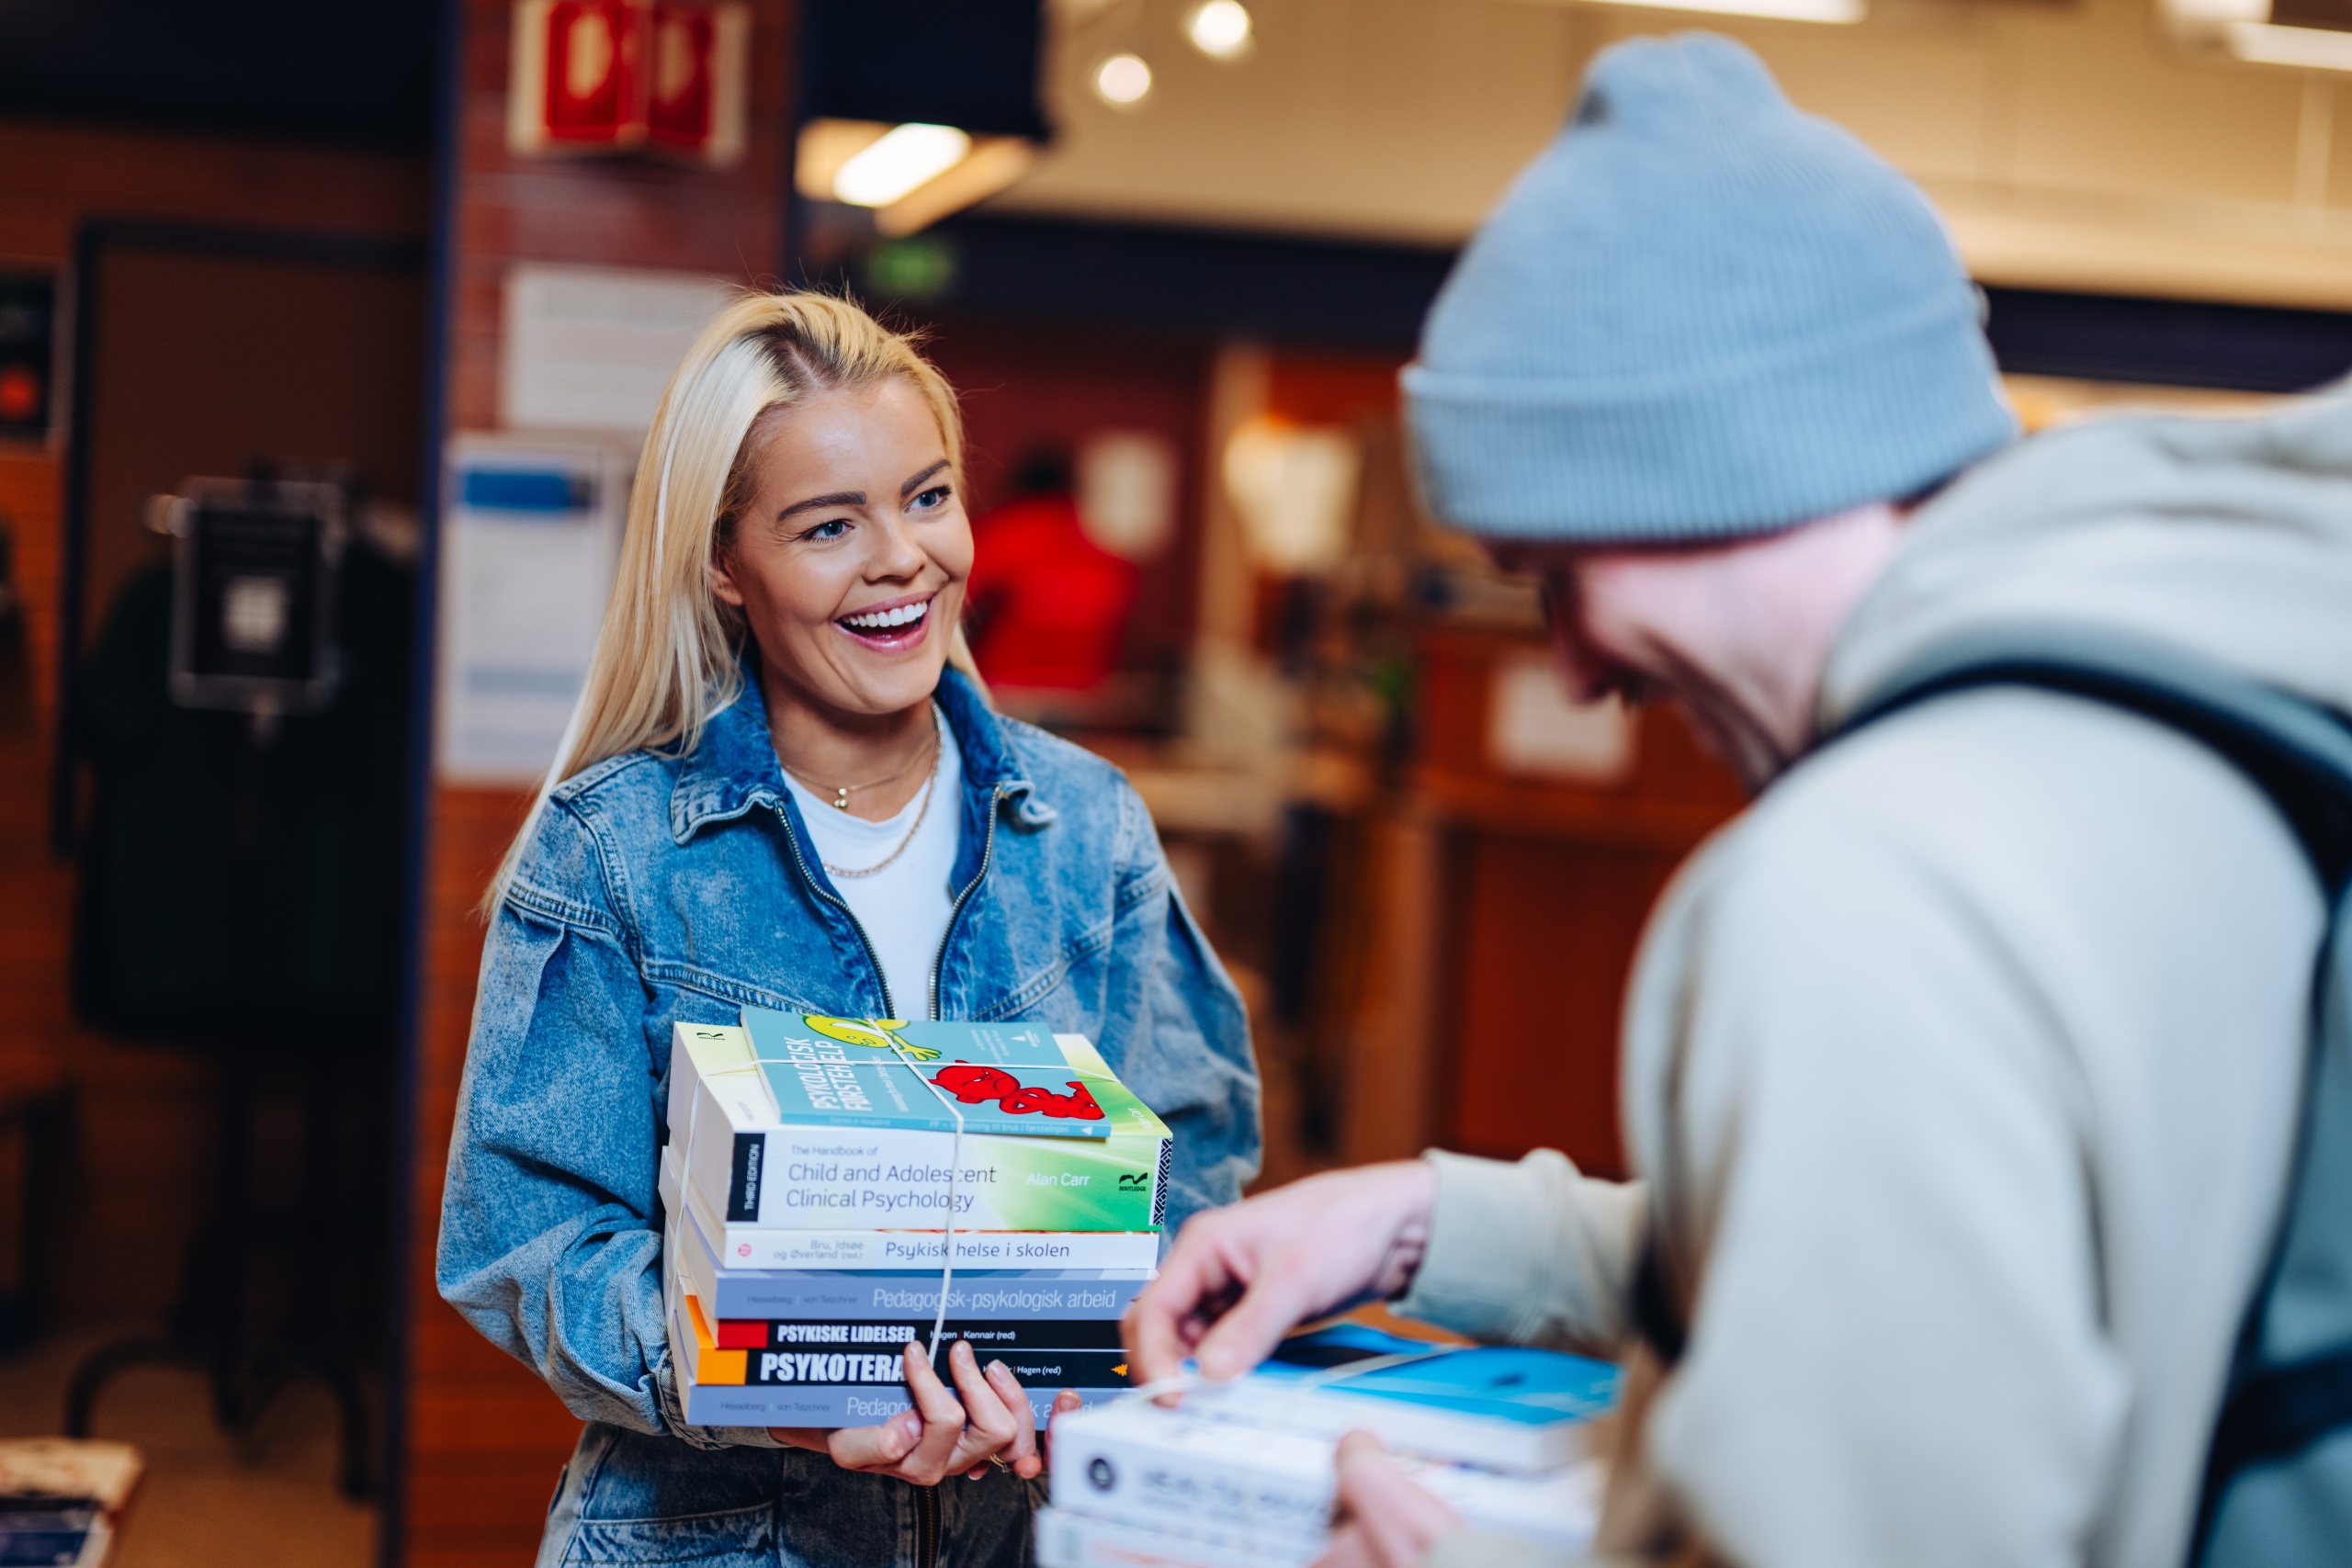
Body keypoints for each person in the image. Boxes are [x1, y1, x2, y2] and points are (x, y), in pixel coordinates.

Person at [1125, 34, 2352, 1568]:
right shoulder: (2212, 708)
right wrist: (1426, 1224)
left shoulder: (1875, 880)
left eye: (1558, 573)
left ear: (1691, 471)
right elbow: (2022, 1276)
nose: (1572, 671)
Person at [437, 292, 1260, 1568]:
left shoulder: (1089, 828)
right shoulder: (614, 848)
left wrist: (1097, 1357)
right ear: (724, 561)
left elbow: (1190, 1167)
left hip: (1032, 1530)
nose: (903, 558)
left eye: (927, 497)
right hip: (712, 1539)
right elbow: (526, 1237)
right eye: (830, 524)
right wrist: (775, 1384)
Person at [961, 446, 1140, 692]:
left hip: (1008, 689)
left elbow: (954, 603)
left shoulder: (1002, 535)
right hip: (1085, 696)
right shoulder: (1108, 560)